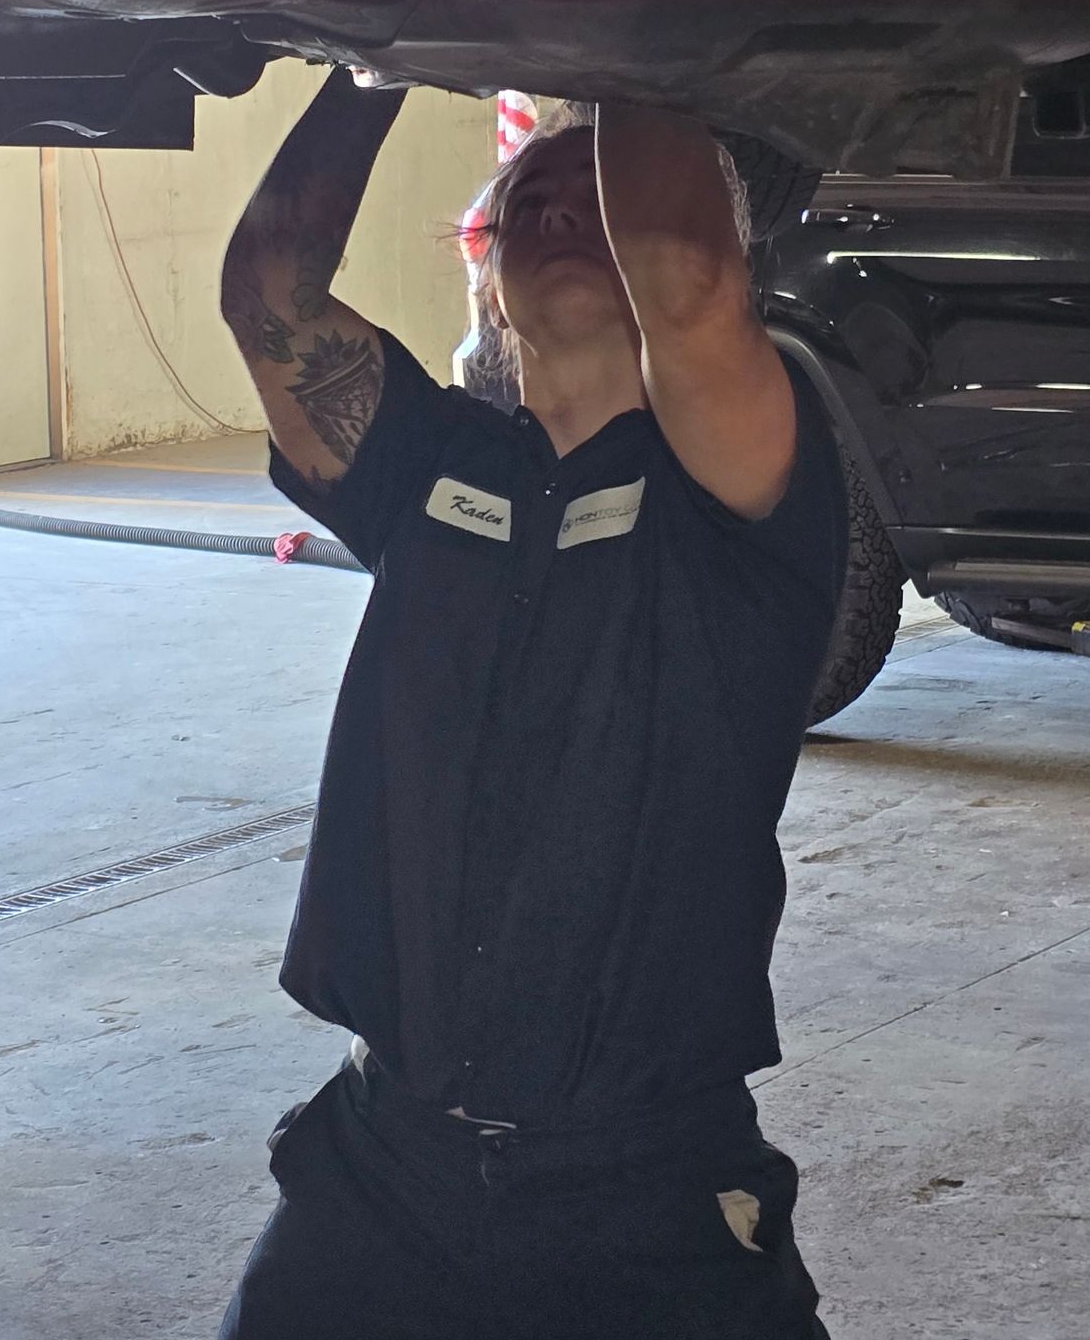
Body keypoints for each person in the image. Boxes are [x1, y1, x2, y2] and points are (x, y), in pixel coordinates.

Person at [216, 68, 846, 1340]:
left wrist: (598, 13)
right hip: (386, 1168)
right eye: (525, 207)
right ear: (487, 284)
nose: (560, 210)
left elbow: (692, 285)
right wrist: (374, 49)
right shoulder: (429, 464)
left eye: (595, 197)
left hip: (648, 1192)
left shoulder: (740, 480)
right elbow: (271, 291)